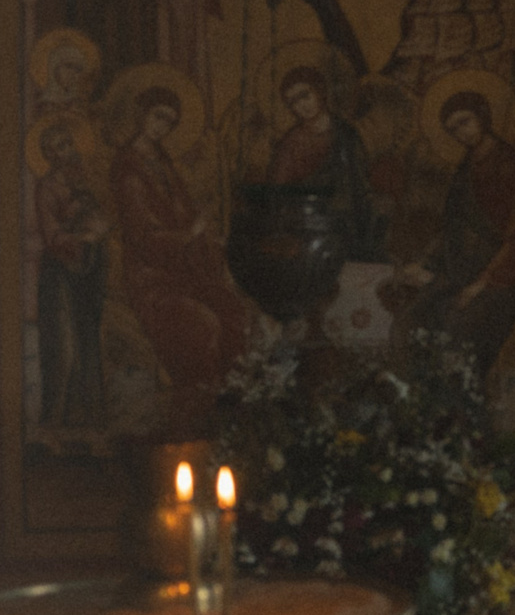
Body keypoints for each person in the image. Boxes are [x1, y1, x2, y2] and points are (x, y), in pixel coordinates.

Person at [112, 86, 248, 432]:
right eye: (158, 117)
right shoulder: (129, 168)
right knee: (202, 325)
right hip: (152, 277)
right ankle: (195, 418)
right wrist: (190, 236)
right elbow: (145, 236)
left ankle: (231, 417)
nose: (162, 127)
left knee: (234, 312)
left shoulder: (163, 163)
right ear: (142, 114)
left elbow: (186, 216)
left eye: (169, 122)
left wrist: (208, 237)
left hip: (186, 271)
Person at [399, 89, 515, 379]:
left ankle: (459, 405)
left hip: (500, 278)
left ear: (482, 117)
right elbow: (452, 228)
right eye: (453, 129)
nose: (461, 133)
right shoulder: (466, 169)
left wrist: (481, 284)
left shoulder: (509, 164)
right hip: (461, 273)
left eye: (465, 122)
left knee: (457, 327)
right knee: (414, 315)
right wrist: (424, 263)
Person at [32, 119, 109, 429]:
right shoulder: (47, 188)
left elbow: (102, 216)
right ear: (50, 155)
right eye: (59, 147)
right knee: (65, 349)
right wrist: (83, 238)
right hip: (60, 275)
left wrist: (98, 230)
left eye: (68, 143)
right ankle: (55, 427)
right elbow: (52, 237)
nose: (68, 151)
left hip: (89, 271)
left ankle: (91, 428)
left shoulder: (83, 181)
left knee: (90, 346)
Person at [266, 66, 387, 262]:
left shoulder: (346, 133)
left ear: (319, 91)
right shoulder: (291, 143)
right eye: (293, 102)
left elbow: (360, 179)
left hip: (351, 220)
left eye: (305, 95)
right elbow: (278, 191)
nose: (302, 105)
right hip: (310, 225)